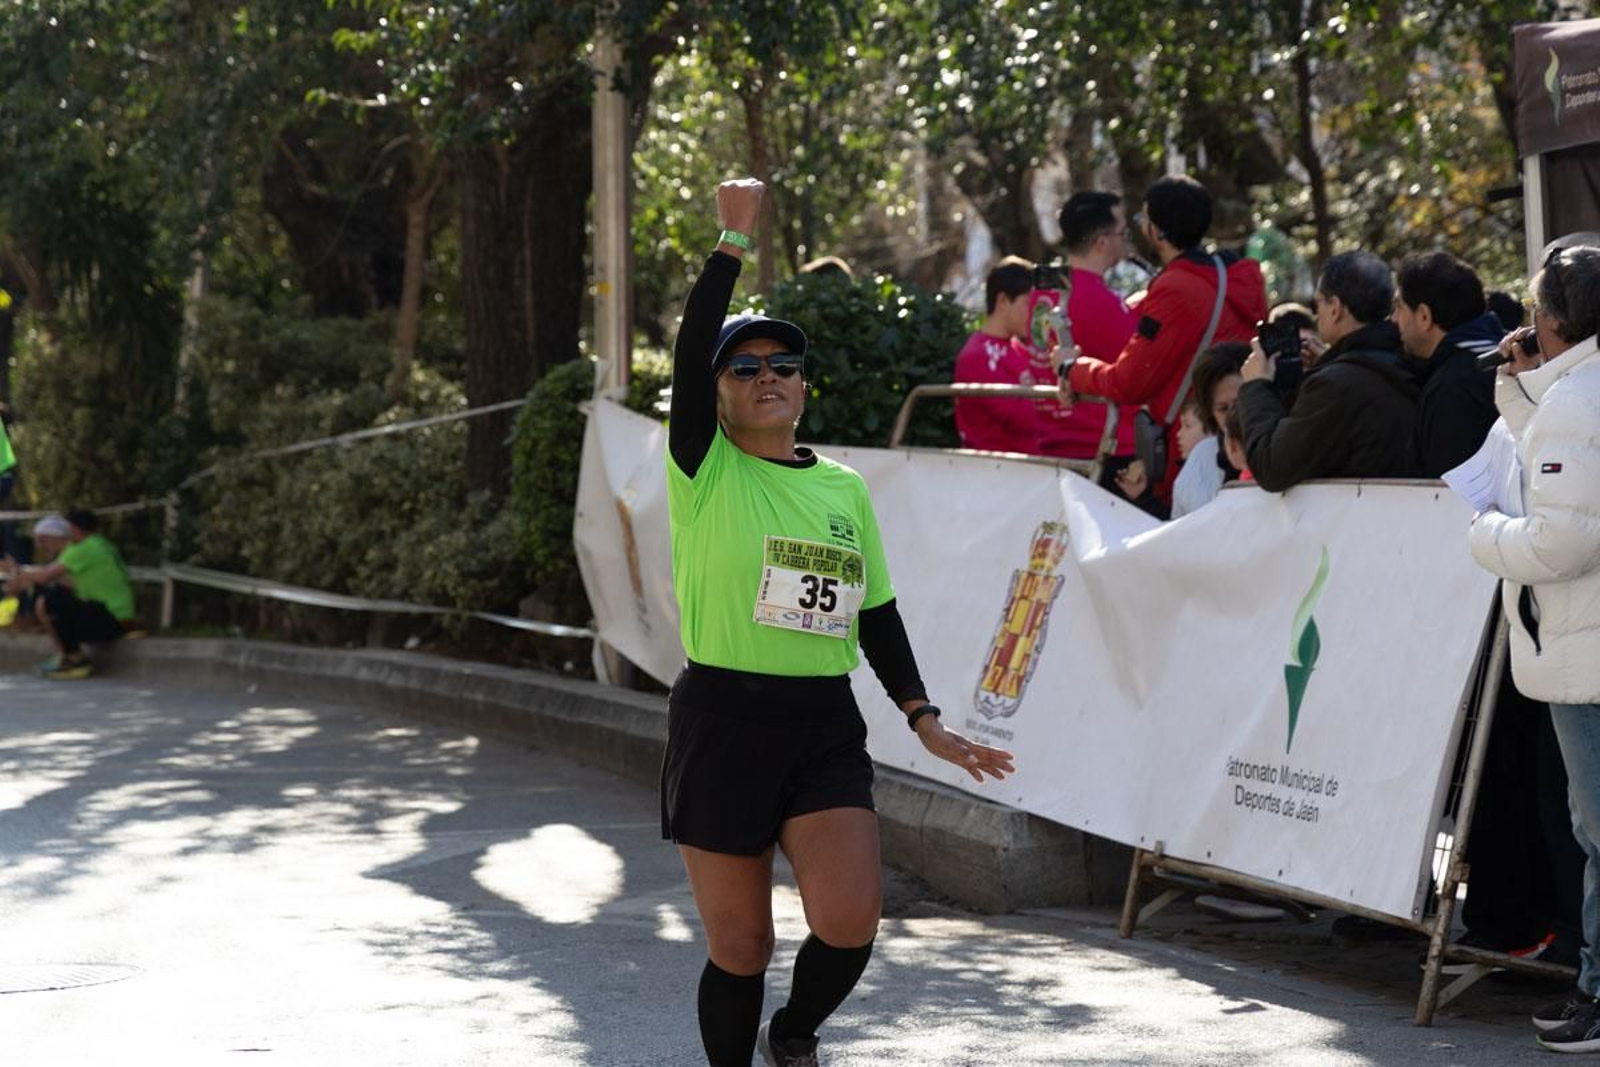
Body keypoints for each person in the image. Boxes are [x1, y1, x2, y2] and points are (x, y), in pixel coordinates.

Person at [666, 178, 1015, 1067]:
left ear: (805, 389)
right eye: (745, 368)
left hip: (820, 723)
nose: (767, 377)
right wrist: (731, 242)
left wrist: (924, 718)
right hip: (722, 720)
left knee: (851, 918)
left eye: (783, 366)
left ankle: (795, 1034)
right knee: (741, 947)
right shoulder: (704, 471)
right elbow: (689, 349)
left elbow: (877, 613)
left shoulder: (843, 489)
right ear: (718, 396)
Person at [1468, 245, 1600, 1053]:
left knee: (1597, 832)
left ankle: (1596, 994)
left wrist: (1484, 534)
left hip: (1583, 653)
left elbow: (1557, 541)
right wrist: (1518, 393)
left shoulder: (1575, 404)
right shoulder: (1574, 398)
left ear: (1551, 319)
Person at [1057, 174, 1267, 503]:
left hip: (1189, 451)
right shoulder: (1239, 279)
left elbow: (1129, 381)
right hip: (1242, 440)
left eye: (1143, 219)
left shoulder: (1174, 289)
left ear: (1156, 231)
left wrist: (1072, 369)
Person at [1235, 251, 1418, 491]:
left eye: (1316, 303)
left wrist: (1256, 386)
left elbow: (1271, 467)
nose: (1315, 313)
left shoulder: (1335, 387)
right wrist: (1330, 364)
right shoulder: (1408, 360)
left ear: (1335, 307)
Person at [1391, 252, 1502, 477]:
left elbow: (1448, 496)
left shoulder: (1453, 389)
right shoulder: (1505, 358)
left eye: (1399, 307)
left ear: (1424, 316)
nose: (1393, 319)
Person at [2, 509, 136, 679]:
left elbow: (44, 576)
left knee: (52, 601)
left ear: (74, 529)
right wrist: (23, 578)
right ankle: (66, 654)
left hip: (111, 618)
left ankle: (75, 658)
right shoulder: (99, 544)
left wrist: (15, 570)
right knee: (52, 594)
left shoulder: (85, 548)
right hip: (115, 615)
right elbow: (66, 581)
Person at [1056, 190, 1140, 458]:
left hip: (1054, 438)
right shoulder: (1101, 300)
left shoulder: (1041, 294)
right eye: (1122, 233)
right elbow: (1135, 366)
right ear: (1102, 243)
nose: (1125, 241)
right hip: (1106, 443)